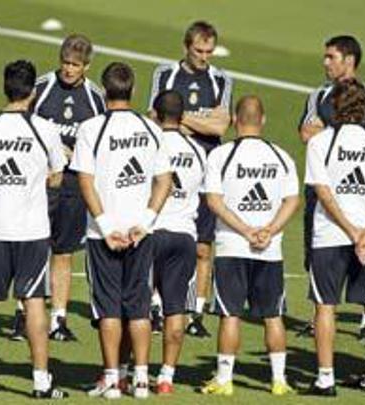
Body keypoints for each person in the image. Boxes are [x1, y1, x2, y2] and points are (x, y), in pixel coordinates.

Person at [0, 60, 68, 399]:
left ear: (5, 87)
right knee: (34, 302)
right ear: (33, 92)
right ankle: (41, 382)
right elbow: (57, 175)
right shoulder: (45, 129)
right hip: (31, 231)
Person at [75, 62, 172, 399]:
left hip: (103, 235)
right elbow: (165, 182)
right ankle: (141, 379)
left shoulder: (91, 128)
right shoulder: (152, 128)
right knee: (139, 307)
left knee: (109, 308)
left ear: (104, 91)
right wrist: (144, 223)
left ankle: (112, 379)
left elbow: (85, 182)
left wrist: (105, 226)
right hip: (139, 234)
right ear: (133, 90)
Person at [201, 95, 298, 396]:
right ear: (263, 120)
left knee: (230, 313)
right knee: (273, 315)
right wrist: (269, 230)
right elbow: (292, 200)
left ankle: (224, 379)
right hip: (269, 249)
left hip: (232, 247)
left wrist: (244, 230)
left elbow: (214, 201)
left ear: (234, 120)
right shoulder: (282, 156)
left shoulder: (220, 155)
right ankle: (279, 380)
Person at [303, 79, 365, 396]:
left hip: (330, 236)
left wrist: (352, 231)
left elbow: (324, 193)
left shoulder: (320, 143)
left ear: (335, 106)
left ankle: (325, 379)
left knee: (325, 306)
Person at [149, 21, 232, 337]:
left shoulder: (221, 79)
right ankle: (157, 305)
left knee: (202, 246)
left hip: (205, 173)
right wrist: (201, 120)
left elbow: (220, 127)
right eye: (199, 51)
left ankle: (196, 311)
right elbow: (154, 116)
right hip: (168, 166)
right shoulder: (165, 74)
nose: (204, 57)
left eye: (209, 51)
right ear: (186, 47)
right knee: (160, 236)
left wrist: (178, 117)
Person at [21, 33, 105, 342]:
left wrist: (76, 154)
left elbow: (101, 144)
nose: (69, 69)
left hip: (72, 187)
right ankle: (23, 314)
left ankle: (58, 319)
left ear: (87, 66)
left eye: (75, 65)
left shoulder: (95, 99)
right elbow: (21, 129)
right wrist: (52, 153)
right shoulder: (41, 88)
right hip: (39, 183)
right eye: (66, 63)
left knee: (64, 252)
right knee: (33, 248)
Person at [297, 35, 365, 339]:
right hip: (320, 189)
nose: (325, 62)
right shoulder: (318, 95)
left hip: (360, 192)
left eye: (331, 57)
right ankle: (317, 316)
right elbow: (306, 133)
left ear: (349, 60)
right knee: (315, 252)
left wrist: (328, 130)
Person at [146, 89, 205, 393]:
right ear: (182, 117)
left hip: (151, 232)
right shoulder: (198, 151)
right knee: (175, 309)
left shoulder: (149, 143)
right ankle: (167, 377)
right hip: (184, 235)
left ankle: (134, 370)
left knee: (137, 307)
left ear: (155, 115)